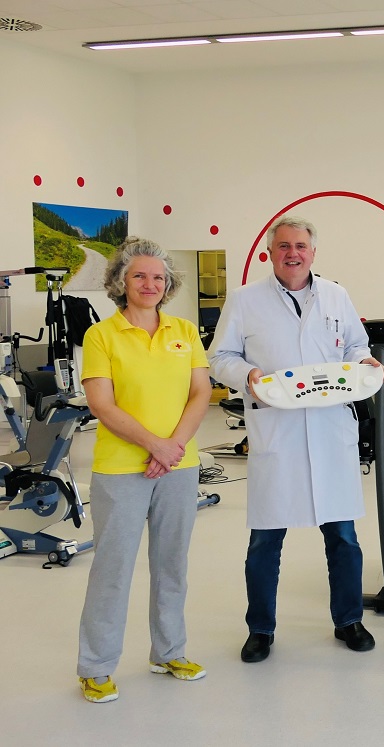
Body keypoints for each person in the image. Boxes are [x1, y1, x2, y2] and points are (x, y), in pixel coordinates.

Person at [209, 215, 381, 663]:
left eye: (300, 246)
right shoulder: (246, 300)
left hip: (329, 430)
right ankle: (260, 629)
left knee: (343, 536)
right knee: (265, 540)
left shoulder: (336, 296)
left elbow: (355, 347)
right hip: (277, 433)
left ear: (313, 252)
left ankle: (349, 620)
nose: (293, 253)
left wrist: (366, 364)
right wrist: (246, 374)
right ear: (270, 252)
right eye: (283, 246)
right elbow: (219, 356)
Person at [77, 237, 211, 703]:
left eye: (158, 277)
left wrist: (171, 448)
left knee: (172, 564)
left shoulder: (185, 330)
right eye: (139, 276)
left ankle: (169, 650)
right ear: (120, 282)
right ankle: (95, 666)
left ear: (168, 283)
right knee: (112, 569)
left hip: (179, 465)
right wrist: (154, 444)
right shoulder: (101, 335)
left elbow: (200, 393)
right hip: (120, 469)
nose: (150, 284)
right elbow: (102, 404)